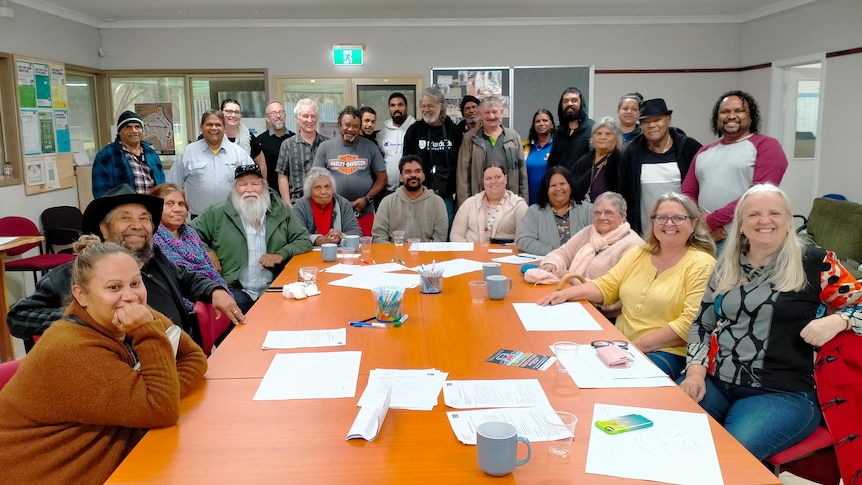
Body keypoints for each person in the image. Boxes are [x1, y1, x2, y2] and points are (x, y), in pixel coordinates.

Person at [678, 184, 862, 460]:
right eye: (753, 215)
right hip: (716, 383)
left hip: (783, 393)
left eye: (774, 213)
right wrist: (694, 373)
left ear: (788, 219)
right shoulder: (727, 264)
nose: (765, 221)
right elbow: (702, 323)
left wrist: (840, 322)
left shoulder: (815, 262)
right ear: (740, 224)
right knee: (666, 432)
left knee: (726, 459)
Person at [0, 240, 208, 484]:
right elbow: (162, 410)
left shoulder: (125, 316)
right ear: (81, 295)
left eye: (135, 283)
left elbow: (194, 358)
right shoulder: (73, 350)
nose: (130, 296)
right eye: (113, 287)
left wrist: (164, 391)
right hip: (44, 473)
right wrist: (145, 332)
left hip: (104, 460)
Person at [7, 184, 245, 343]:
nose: (137, 225)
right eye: (125, 218)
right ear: (104, 228)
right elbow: (19, 317)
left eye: (144, 218)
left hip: (176, 360)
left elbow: (188, 277)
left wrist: (215, 290)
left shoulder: (155, 259)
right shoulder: (78, 273)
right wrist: (94, 319)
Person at [538, 192, 716, 380]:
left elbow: (690, 323)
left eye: (678, 218)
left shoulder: (702, 263)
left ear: (694, 224)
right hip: (620, 345)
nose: (669, 223)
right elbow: (607, 286)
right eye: (661, 217)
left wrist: (635, 346)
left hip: (665, 352)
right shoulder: (640, 252)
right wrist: (566, 294)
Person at [191, 165, 313, 312]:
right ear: (235, 189)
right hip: (234, 290)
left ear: (264, 186)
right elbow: (189, 232)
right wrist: (208, 251)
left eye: (255, 184)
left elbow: (304, 239)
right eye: (242, 184)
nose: (249, 189)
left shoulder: (281, 211)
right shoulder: (217, 213)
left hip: (276, 287)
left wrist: (281, 254)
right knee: (238, 328)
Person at [682, 91, 788, 248]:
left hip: (744, 240)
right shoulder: (704, 151)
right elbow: (687, 193)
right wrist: (699, 223)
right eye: (725, 112)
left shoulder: (767, 146)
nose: (731, 116)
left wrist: (712, 221)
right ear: (717, 119)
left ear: (751, 117)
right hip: (704, 237)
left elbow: (758, 195)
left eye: (739, 110)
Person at [618, 98, 702, 235]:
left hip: (685, 232)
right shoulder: (631, 153)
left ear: (668, 119)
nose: (652, 125)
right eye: (646, 122)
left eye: (657, 120)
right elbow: (623, 193)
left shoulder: (690, 148)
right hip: (645, 233)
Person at [525, 191, 643, 284]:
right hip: (570, 293)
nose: (602, 217)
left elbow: (615, 288)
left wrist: (573, 279)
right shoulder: (589, 231)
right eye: (597, 212)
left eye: (608, 212)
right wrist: (552, 264)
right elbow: (563, 253)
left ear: (623, 217)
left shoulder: (633, 245)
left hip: (602, 310)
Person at [149, 182, 230, 311]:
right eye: (169, 204)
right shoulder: (151, 239)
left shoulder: (191, 233)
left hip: (211, 297)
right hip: (181, 310)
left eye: (181, 204)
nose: (177, 209)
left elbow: (210, 269)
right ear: (155, 208)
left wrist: (222, 292)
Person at [312, 106, 388, 236]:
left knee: (364, 250)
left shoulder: (370, 147)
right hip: (333, 213)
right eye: (347, 125)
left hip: (364, 212)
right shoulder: (325, 147)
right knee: (335, 252)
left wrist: (367, 199)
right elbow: (316, 179)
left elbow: (382, 178)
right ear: (339, 125)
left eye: (355, 126)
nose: (351, 129)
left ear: (359, 128)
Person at [167, 109, 257, 217]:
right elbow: (172, 186)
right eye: (209, 124)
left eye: (218, 125)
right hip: (199, 220)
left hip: (233, 218)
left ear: (224, 128)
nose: (214, 128)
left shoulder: (239, 154)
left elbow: (253, 184)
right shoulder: (188, 153)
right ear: (201, 127)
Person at [402, 87, 463, 226]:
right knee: (419, 232)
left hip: (446, 196)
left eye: (430, 105)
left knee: (444, 234)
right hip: (418, 194)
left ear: (441, 106)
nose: (426, 109)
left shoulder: (453, 131)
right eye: (423, 106)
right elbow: (405, 163)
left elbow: (462, 163)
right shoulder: (414, 131)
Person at [456, 97, 527, 207]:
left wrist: (523, 203)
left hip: (510, 204)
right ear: (480, 114)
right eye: (487, 112)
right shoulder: (470, 138)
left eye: (494, 112)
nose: (491, 116)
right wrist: (465, 207)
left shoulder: (513, 137)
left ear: (502, 113)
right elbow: (463, 176)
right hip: (479, 203)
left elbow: (522, 174)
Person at [515, 166, 592, 256]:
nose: (558, 188)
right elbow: (523, 240)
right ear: (546, 189)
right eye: (553, 185)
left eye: (562, 184)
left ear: (571, 186)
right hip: (546, 263)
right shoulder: (534, 212)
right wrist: (556, 254)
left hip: (581, 263)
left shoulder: (588, 210)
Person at [372, 155, 449, 243]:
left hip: (427, 254)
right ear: (401, 177)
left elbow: (440, 238)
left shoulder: (437, 202)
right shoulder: (387, 202)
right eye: (408, 172)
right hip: (394, 254)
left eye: (418, 171)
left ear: (423, 176)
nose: (413, 175)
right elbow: (379, 237)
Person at [92, 110, 165, 197]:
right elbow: (101, 191)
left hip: (152, 208)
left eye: (137, 127)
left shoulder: (152, 154)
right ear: (119, 131)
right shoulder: (106, 155)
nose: (134, 131)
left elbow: (162, 185)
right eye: (128, 127)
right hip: (123, 209)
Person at [451, 162, 528, 243]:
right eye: (488, 178)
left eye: (498, 177)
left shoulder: (519, 206)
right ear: (483, 182)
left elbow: (523, 240)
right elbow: (456, 235)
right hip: (471, 254)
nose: (493, 181)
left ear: (505, 178)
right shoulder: (469, 204)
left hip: (505, 254)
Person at [276, 98, 329, 205]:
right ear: (297, 118)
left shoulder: (327, 144)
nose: (309, 120)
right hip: (297, 204)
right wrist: (287, 205)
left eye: (313, 116)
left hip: (324, 203)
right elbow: (282, 176)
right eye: (305, 116)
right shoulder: (288, 145)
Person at [293, 167, 362, 246]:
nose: (323, 192)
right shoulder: (300, 206)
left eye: (327, 187)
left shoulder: (343, 204)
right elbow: (296, 235)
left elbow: (356, 233)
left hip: (339, 252)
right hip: (308, 252)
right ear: (310, 191)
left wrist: (340, 236)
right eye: (318, 188)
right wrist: (318, 240)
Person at [567, 117, 623, 203]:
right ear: (593, 137)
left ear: (616, 138)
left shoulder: (621, 161)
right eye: (599, 133)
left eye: (608, 134)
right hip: (583, 210)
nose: (602, 137)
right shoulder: (582, 162)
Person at [546, 87, 595, 171]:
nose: (569, 104)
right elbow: (553, 163)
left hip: (583, 182)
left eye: (574, 100)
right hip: (562, 182)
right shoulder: (559, 132)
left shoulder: (592, 129)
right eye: (565, 101)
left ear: (581, 104)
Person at [377, 92, 416, 196]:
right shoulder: (381, 135)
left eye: (400, 105)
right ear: (389, 109)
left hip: (412, 189)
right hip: (387, 191)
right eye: (392, 105)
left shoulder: (416, 129)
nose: (396, 108)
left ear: (406, 108)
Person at [256, 100, 296, 190]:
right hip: (270, 193)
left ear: (285, 115)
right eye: (274, 113)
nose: (278, 116)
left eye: (281, 112)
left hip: (293, 193)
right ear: (267, 118)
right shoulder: (259, 141)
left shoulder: (295, 139)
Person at [217, 99, 265, 169]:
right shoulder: (212, 135)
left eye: (237, 112)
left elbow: (262, 164)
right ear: (221, 112)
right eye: (229, 111)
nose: (233, 115)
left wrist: (262, 180)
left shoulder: (249, 137)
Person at [523, 109, 555, 205]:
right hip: (529, 199)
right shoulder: (525, 147)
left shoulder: (558, 146)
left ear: (552, 124)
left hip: (552, 200)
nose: (541, 124)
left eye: (545, 120)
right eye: (537, 121)